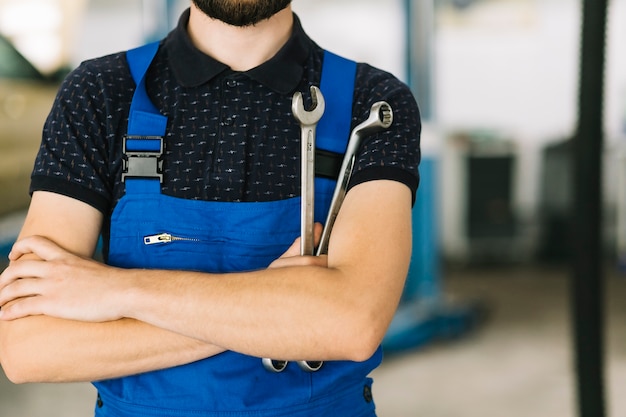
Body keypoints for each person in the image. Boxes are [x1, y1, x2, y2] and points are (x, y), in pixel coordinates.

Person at [0, 1, 421, 416]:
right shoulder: (100, 94)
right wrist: (279, 312)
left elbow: (353, 324)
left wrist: (115, 291)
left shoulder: (372, 103)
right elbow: (28, 348)